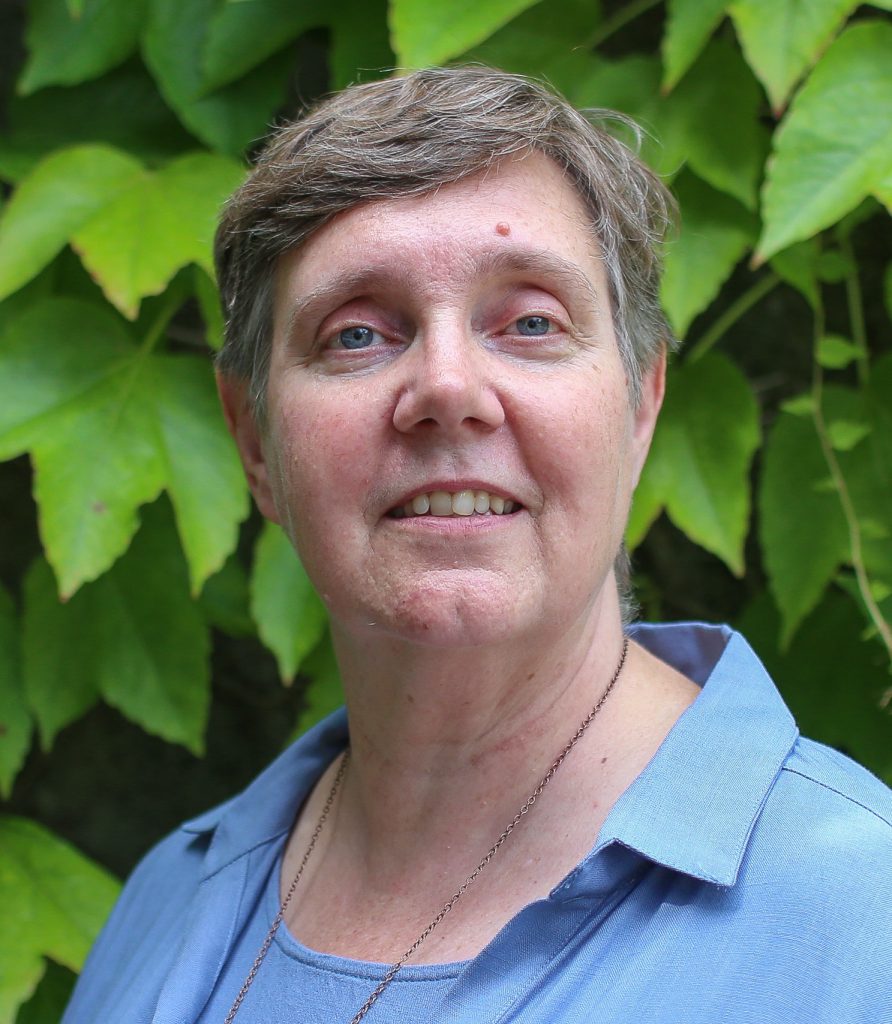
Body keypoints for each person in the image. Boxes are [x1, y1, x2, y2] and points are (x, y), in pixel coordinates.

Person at [62, 67, 891, 1024]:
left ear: (641, 406)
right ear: (254, 441)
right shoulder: (165, 903)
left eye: (532, 323)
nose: (447, 387)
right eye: (358, 335)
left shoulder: (860, 920)